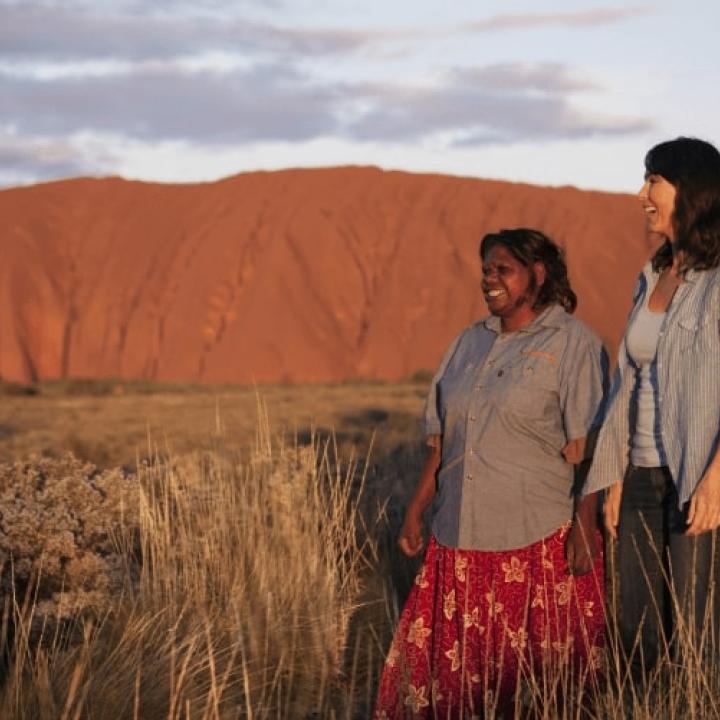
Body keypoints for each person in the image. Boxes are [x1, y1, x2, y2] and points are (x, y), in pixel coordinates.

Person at [374, 228, 606, 719]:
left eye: (503, 269)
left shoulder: (572, 343)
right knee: (447, 689)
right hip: (457, 540)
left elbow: (588, 447)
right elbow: (446, 437)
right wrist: (416, 510)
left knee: (544, 691)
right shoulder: (468, 343)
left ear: (538, 275)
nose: (489, 280)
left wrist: (586, 524)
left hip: (538, 542)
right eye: (485, 271)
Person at [583, 137, 720, 679]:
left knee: (699, 633)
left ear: (690, 190)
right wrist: (615, 475)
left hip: (698, 477)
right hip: (641, 474)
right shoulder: (652, 276)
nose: (641, 193)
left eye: (653, 180)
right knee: (640, 631)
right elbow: (630, 383)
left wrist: (715, 479)